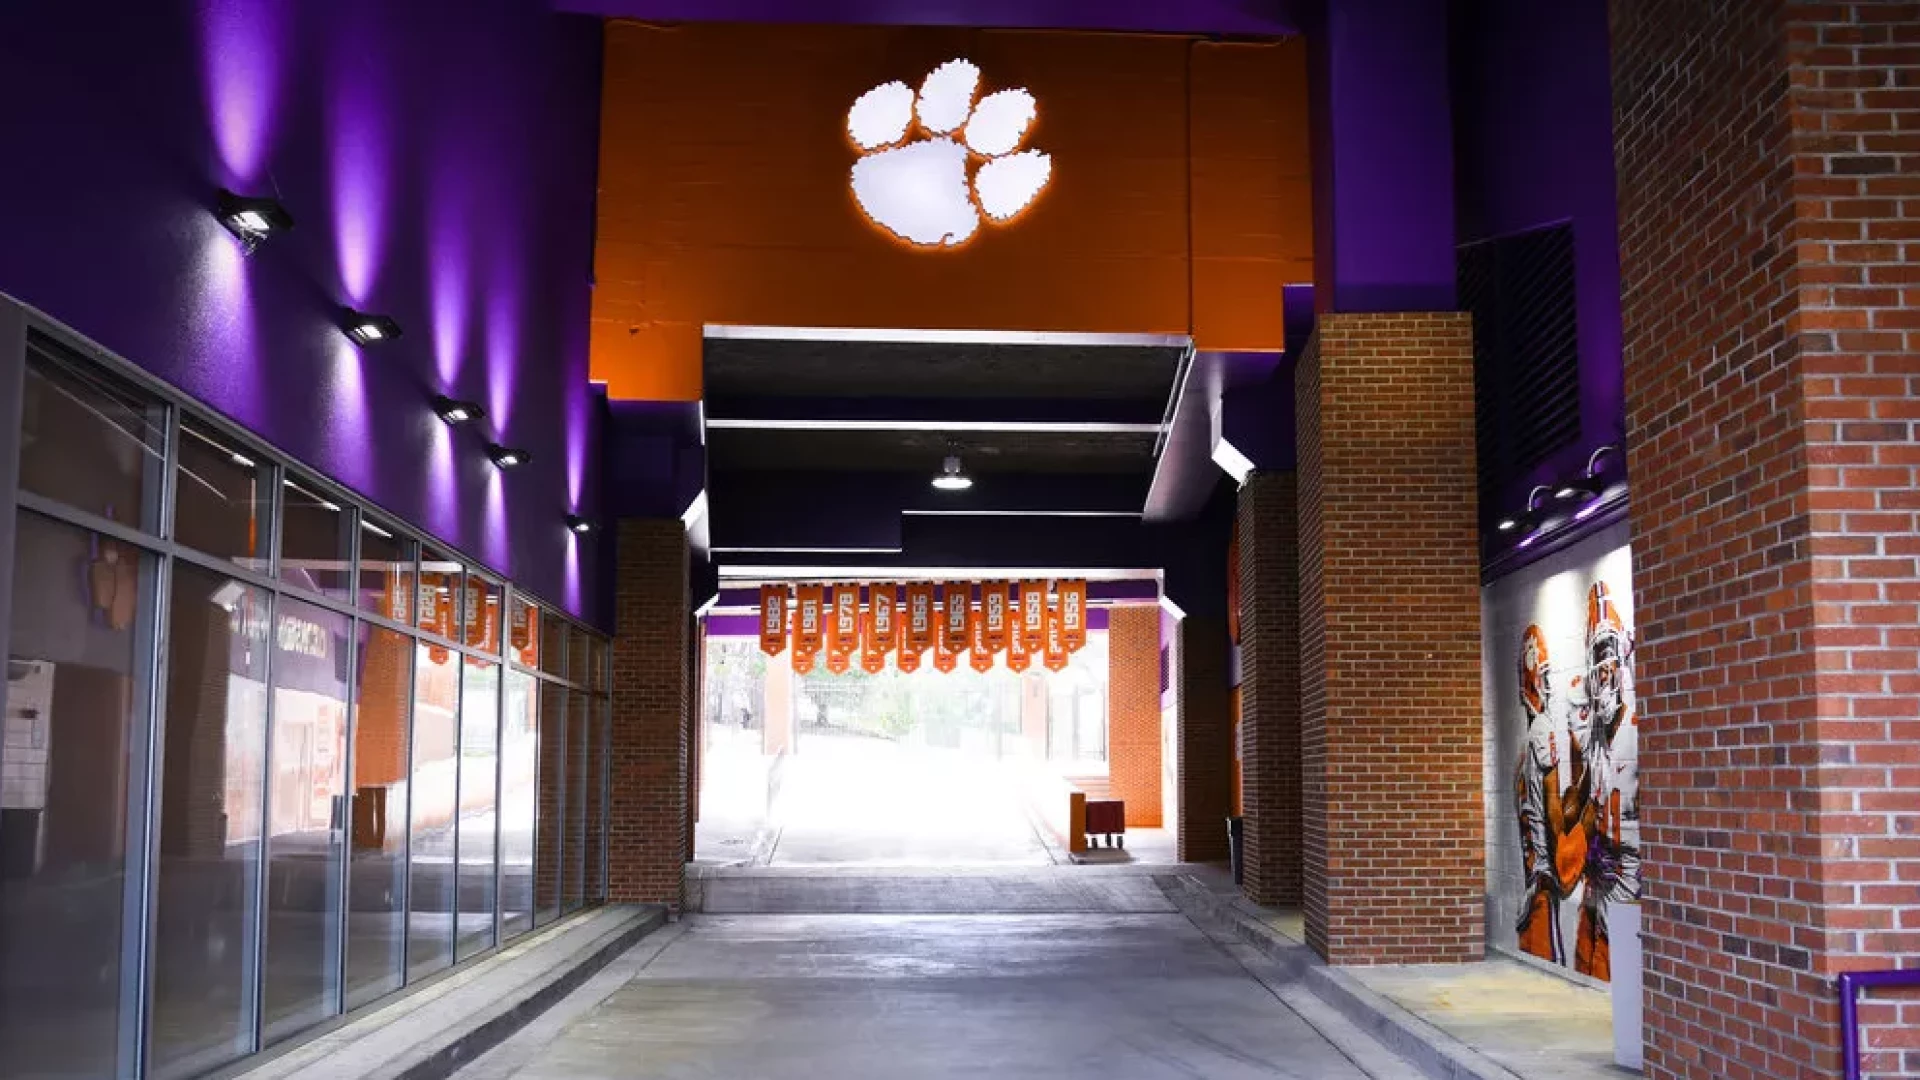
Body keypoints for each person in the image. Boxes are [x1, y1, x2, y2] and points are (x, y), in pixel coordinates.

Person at [1574, 581, 1640, 980]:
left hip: (1632, 875)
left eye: (1608, 656)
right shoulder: (1597, 739)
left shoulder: (1634, 728)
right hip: (1601, 874)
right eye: (1595, 661)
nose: (1603, 673)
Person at [1514, 624, 1584, 966]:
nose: (1549, 686)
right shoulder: (1543, 734)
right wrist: (1584, 794)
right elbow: (1555, 824)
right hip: (1543, 888)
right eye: (1543, 677)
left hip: (1529, 891)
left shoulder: (1520, 755)